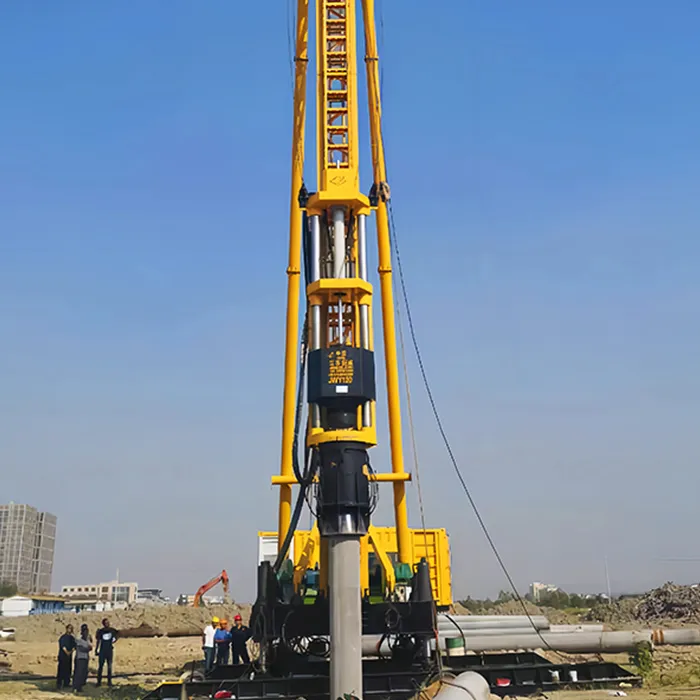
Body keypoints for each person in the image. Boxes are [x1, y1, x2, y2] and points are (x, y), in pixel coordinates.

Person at [95, 617, 119, 687]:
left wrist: (114, 640)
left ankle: (109, 682)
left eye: (108, 623)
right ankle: (99, 682)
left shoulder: (112, 630)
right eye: (106, 623)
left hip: (109, 650)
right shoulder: (101, 631)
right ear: (103, 624)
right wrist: (96, 649)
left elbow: (117, 635)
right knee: (100, 666)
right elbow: (98, 641)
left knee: (109, 667)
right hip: (102, 650)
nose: (107, 624)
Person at [72, 624, 92, 692]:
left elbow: (90, 647)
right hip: (80, 658)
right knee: (78, 673)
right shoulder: (79, 639)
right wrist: (87, 649)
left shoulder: (87, 640)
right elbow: (81, 649)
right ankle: (75, 687)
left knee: (84, 673)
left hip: (85, 658)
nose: (86, 633)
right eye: (84, 631)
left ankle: (80, 686)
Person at [56, 624, 76, 689]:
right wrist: (67, 652)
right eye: (69, 628)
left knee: (68, 670)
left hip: (69, 657)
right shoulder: (63, 637)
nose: (70, 630)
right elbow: (62, 646)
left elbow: (74, 646)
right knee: (61, 670)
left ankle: (66, 683)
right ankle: (59, 683)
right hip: (62, 656)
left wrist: (71, 651)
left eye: (71, 628)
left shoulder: (72, 638)